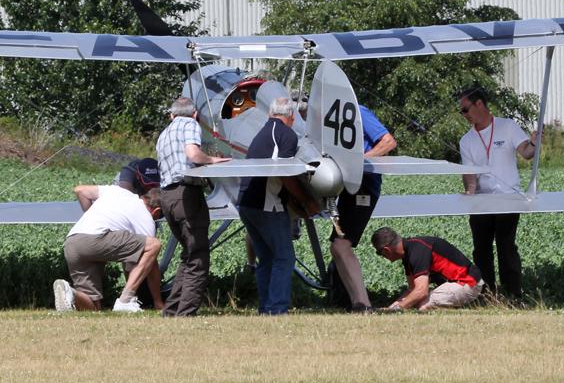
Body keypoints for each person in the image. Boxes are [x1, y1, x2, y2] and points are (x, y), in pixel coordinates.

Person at [237, 97, 320, 315]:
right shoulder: (287, 134)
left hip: (245, 203)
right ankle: (277, 308)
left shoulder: (263, 132)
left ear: (269, 114)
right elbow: (284, 173)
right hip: (266, 205)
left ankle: (266, 307)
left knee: (267, 258)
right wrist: (307, 200)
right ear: (291, 116)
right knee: (284, 258)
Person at [457, 86, 540, 301]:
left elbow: (527, 153)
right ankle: (486, 294)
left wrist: (534, 141)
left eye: (465, 110)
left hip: (508, 198)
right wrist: (469, 194)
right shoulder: (466, 140)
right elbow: (470, 176)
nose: (464, 115)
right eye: (462, 112)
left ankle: (513, 294)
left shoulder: (507, 126)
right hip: (482, 201)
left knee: (506, 247)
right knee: (481, 250)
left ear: (479, 104)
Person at [155, 97, 231, 317]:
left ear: (171, 115)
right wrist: (213, 160)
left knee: (188, 254)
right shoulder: (190, 124)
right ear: (195, 114)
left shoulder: (164, 134)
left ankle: (171, 310)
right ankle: (186, 313)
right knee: (198, 255)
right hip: (186, 194)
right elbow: (193, 155)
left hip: (167, 197)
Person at [329, 104, 396, 312]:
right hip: (349, 186)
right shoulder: (328, 115)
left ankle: (363, 304)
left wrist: (358, 163)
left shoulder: (356, 110)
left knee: (341, 245)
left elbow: (388, 142)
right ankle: (357, 303)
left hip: (364, 185)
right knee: (337, 246)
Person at [55, 186, 164, 313]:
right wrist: (158, 301)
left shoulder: (117, 191)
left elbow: (80, 190)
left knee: (93, 309)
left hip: (73, 242)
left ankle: (71, 294)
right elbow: (149, 262)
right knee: (154, 245)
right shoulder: (146, 218)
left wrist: (94, 219)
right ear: (156, 211)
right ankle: (125, 301)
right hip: (96, 239)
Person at [370, 226, 485, 311]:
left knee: (422, 305)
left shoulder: (417, 252)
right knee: (414, 301)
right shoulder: (408, 252)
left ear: (386, 250)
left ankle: (456, 309)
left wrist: (397, 309)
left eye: (379, 253)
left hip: (468, 283)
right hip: (460, 282)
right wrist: (392, 307)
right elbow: (412, 289)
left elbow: (421, 291)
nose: (382, 256)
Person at [75, 158, 160, 211]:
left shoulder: (162, 171)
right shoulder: (129, 172)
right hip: (123, 197)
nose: (151, 188)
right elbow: (124, 198)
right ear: (138, 176)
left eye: (153, 185)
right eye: (148, 184)